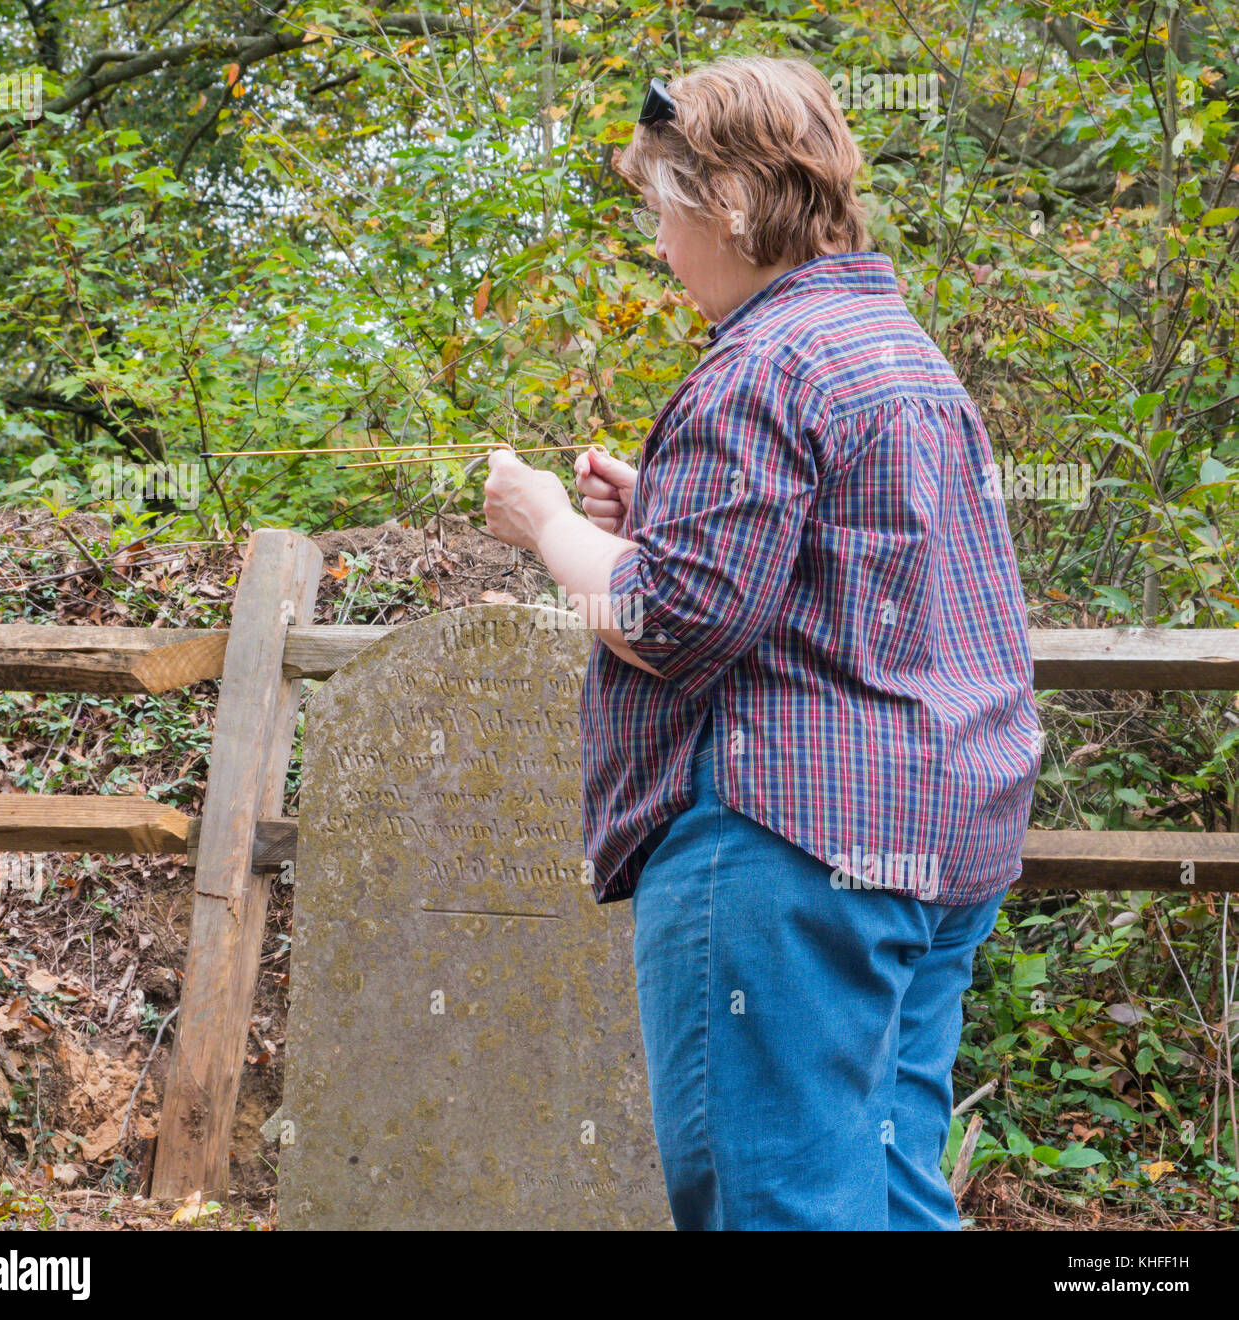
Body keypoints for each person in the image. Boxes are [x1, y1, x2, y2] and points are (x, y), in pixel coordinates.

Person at [482, 53, 1041, 1231]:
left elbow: (663, 623)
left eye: (660, 207)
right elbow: (841, 569)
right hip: (935, 851)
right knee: (890, 1194)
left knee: (773, 1203)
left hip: (786, 850)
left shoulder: (759, 363)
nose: (656, 242)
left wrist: (542, 527)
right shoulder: (901, 353)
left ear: (727, 204)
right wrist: (662, 517)